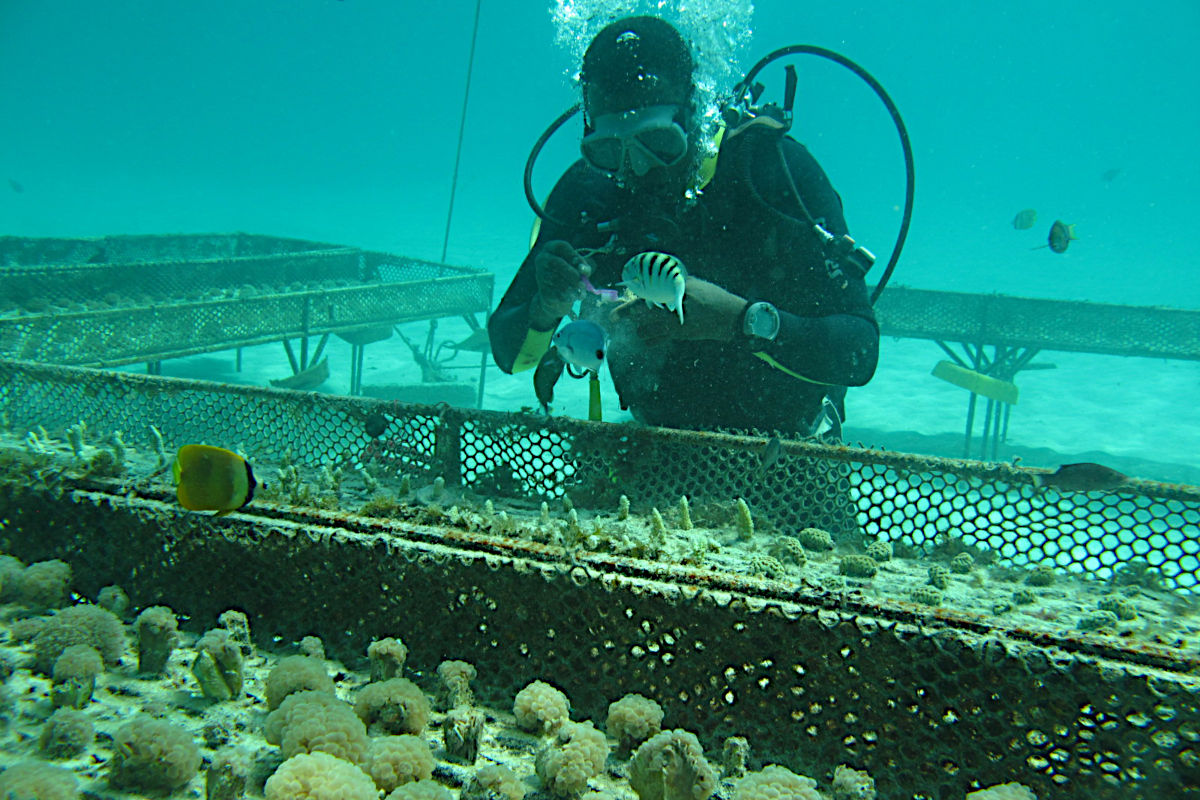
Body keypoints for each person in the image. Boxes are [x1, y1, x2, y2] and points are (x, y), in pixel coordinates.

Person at [488, 15, 879, 437]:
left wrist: (741, 320)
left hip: (789, 448)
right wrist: (544, 310)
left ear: (691, 116)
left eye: (657, 143)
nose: (635, 169)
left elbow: (859, 351)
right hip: (654, 443)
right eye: (607, 150)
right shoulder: (587, 193)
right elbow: (512, 357)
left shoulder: (771, 174)